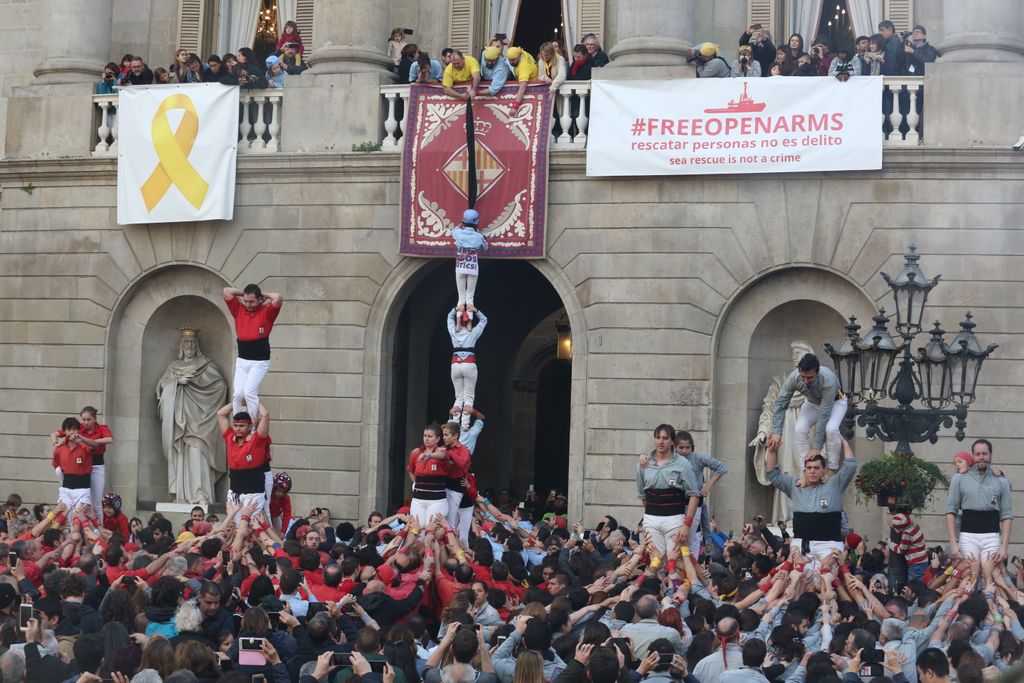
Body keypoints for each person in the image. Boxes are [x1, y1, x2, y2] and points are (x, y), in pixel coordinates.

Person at [766, 436, 856, 566]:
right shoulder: (795, 486)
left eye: (816, 468)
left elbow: (850, 466)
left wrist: (844, 443)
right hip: (802, 545)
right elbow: (773, 475)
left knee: (825, 581)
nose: (812, 471)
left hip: (829, 545)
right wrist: (772, 452)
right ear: (804, 470)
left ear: (824, 470)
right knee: (799, 582)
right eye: (809, 468)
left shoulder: (834, 485)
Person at [635, 424, 701, 565]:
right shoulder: (644, 464)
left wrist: (687, 525)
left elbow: (694, 495)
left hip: (675, 520)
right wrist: (650, 515)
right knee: (655, 563)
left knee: (676, 563)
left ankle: (675, 587)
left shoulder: (683, 464)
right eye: (658, 437)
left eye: (665, 438)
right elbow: (642, 495)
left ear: (672, 441)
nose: (661, 441)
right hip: (651, 520)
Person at [768, 353, 846, 471]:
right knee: (799, 429)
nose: (805, 381)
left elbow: (824, 416)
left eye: (810, 377)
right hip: (812, 403)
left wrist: (817, 448)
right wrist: (777, 432)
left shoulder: (828, 381)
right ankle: (805, 468)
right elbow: (780, 403)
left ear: (817, 373)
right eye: (802, 377)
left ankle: (832, 467)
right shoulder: (794, 378)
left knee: (831, 429)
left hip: (836, 402)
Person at [223, 284, 283, 424]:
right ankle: (239, 423)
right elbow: (226, 291)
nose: (248, 304)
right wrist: (244, 293)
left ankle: (253, 426)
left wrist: (264, 294)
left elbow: (278, 298)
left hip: (259, 362)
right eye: (246, 301)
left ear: (259, 300)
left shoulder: (267, 312)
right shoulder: (239, 309)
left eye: (252, 301)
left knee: (249, 393)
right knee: (238, 394)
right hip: (243, 360)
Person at [945, 438, 1013, 562]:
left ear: (990, 455)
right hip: (967, 536)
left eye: (984, 454)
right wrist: (954, 544)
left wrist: (1004, 547)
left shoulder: (1002, 481)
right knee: (969, 574)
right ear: (973, 456)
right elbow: (950, 512)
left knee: (991, 573)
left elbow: (1007, 515)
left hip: (992, 536)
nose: (981, 457)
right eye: (977, 454)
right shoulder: (958, 479)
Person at [49, 406, 112, 513]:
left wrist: (88, 440)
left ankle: (99, 527)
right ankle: (65, 488)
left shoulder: (101, 428)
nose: (86, 422)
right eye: (83, 419)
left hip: (96, 463)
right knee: (59, 471)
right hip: (81, 465)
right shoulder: (78, 428)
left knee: (96, 503)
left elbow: (109, 439)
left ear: (95, 419)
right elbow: (55, 434)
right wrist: (55, 444)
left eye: (89, 419)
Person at [216, 402, 271, 523]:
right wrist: (237, 400)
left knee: (252, 525)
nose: (238, 429)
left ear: (250, 426)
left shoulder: (257, 440)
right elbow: (220, 414)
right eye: (235, 426)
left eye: (242, 426)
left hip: (254, 491)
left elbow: (265, 415)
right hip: (235, 490)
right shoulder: (230, 437)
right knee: (235, 525)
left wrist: (253, 400)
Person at [448, 307, 487, 431]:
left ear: (458, 319)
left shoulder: (453, 331)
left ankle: (455, 423)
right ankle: (464, 425)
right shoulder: (473, 332)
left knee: (458, 397)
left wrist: (455, 309)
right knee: (468, 396)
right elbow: (484, 320)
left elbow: (449, 318)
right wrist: (476, 310)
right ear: (469, 320)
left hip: (455, 364)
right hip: (469, 364)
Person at [407, 424, 450, 526]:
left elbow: (443, 456)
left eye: (430, 436)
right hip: (418, 500)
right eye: (425, 436)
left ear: (438, 439)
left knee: (431, 532)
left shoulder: (441, 451)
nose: (426, 439)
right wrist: (415, 484)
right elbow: (410, 469)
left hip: (437, 500)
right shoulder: (416, 453)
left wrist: (429, 455)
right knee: (417, 531)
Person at [51, 417, 93, 514]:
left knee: (80, 517)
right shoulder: (59, 449)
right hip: (67, 487)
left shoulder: (85, 446)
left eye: (74, 429)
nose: (71, 432)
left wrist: (81, 441)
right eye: (69, 429)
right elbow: (56, 466)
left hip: (83, 487)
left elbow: (93, 447)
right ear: (64, 431)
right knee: (65, 516)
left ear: (78, 430)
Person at [453, 209, 488, 313]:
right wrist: (480, 235)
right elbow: (485, 248)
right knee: (470, 298)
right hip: (472, 267)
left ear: (464, 220)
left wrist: (461, 223)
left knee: (461, 298)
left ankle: (460, 314)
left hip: (460, 266)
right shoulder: (479, 237)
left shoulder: (458, 233)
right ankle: (470, 313)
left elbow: (455, 229)